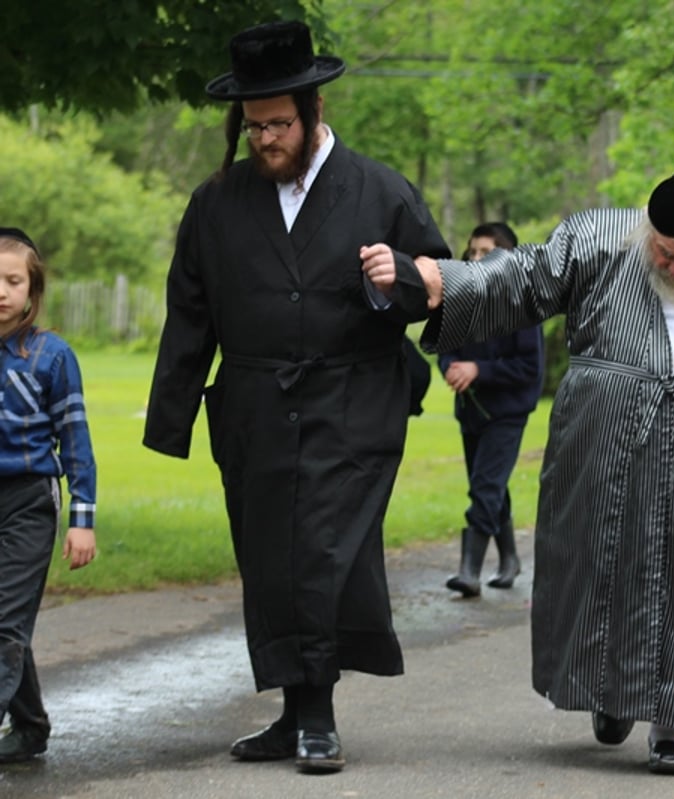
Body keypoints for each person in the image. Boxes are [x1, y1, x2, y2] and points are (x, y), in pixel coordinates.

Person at [412, 172, 674, 775]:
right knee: (598, 555)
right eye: (665, 253)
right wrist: (441, 283)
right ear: (646, 231)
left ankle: (670, 724)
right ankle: (609, 692)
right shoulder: (599, 240)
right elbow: (521, 277)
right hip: (601, 431)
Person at [142, 21, 450, 774]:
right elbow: (191, 309)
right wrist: (172, 415)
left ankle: (317, 715)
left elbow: (445, 286)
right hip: (254, 406)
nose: (265, 139)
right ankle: (291, 709)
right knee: (270, 560)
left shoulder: (379, 189)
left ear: (313, 112)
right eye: (253, 126)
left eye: (279, 123)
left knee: (321, 551)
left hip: (353, 403)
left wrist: (399, 278)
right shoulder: (216, 203)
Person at [0, 228, 98, 763]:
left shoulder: (51, 357)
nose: (1, 291)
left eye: (13, 281)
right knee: (5, 619)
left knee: (4, 622)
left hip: (29, 502)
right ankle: (31, 726)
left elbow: (76, 445)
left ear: (31, 292)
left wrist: (82, 519)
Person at [440, 222, 544, 596]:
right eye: (472, 252)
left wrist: (479, 369)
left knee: (485, 487)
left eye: (486, 252)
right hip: (471, 411)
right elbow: (445, 343)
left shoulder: (522, 306)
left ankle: (469, 572)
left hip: (507, 413)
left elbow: (530, 369)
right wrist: (451, 365)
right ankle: (511, 560)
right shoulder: (462, 298)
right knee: (489, 486)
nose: (476, 259)